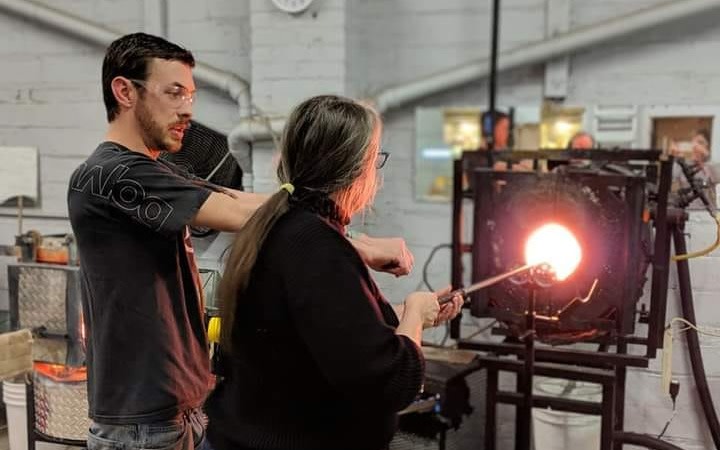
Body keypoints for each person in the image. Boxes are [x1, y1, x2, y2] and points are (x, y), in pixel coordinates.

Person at [67, 33, 417, 450]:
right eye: (174, 93)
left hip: (176, 409)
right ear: (125, 91)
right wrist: (358, 244)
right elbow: (239, 214)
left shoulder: (155, 171)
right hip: (141, 421)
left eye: (190, 95)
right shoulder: (110, 174)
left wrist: (342, 229)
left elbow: (243, 200)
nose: (187, 110)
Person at [204, 95, 464, 450]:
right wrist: (415, 314)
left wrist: (412, 315)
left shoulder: (284, 226)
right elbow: (390, 383)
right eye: (375, 161)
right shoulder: (316, 246)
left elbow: (325, 329)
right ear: (358, 169)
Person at [670, 129, 718, 209]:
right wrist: (674, 157)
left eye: (700, 142)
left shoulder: (711, 166)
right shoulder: (684, 165)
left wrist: (705, 156)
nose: (695, 146)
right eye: (694, 142)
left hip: (707, 213)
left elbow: (716, 176)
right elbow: (670, 178)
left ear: (708, 147)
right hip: (688, 212)